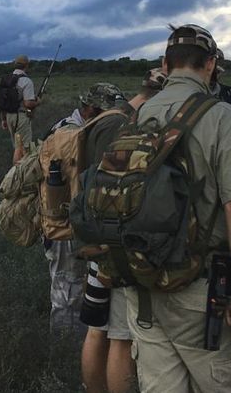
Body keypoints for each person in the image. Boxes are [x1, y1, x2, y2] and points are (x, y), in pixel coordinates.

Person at [134, 24, 231, 393]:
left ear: (165, 64)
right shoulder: (223, 116)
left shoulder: (137, 114)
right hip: (199, 286)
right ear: (210, 65)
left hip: (140, 283)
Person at [80, 68, 167, 393]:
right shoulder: (123, 126)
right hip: (114, 243)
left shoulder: (99, 122)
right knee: (119, 337)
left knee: (95, 328)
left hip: (93, 237)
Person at [45, 82, 126, 335]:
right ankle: (62, 352)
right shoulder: (72, 135)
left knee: (75, 287)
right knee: (67, 289)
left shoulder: (71, 128)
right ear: (91, 109)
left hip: (73, 221)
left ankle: (76, 348)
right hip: (66, 224)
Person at [2, 55, 40, 149]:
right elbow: (28, 104)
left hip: (8, 116)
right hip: (21, 117)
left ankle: (17, 164)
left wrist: (3, 119)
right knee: (25, 149)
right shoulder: (26, 81)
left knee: (17, 148)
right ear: (26, 65)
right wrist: (38, 102)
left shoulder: (7, 79)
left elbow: (3, 100)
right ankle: (22, 164)